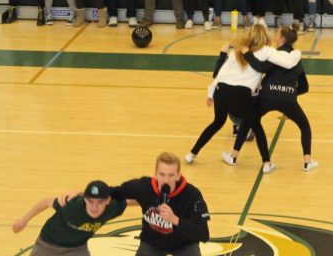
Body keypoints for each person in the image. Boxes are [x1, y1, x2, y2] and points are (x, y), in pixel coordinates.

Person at [225, 24, 318, 171]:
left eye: (277, 34)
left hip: (266, 95)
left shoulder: (274, 56)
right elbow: (304, 87)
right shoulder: (296, 60)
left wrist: (247, 53)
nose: (274, 37)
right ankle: (307, 162)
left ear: (281, 39)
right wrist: (289, 94)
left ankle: (233, 155)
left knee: (248, 121)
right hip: (288, 99)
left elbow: (260, 67)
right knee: (304, 126)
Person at [185, 34, 271, 166]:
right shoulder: (259, 59)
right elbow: (258, 83)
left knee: (217, 123)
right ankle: (266, 163)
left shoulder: (233, 55)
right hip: (241, 94)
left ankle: (192, 154)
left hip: (222, 91)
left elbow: (217, 75)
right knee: (257, 127)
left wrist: (211, 93)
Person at [117, 152, 210, 254]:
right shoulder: (144, 187)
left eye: (171, 175)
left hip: (184, 244)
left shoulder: (192, 195)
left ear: (178, 176)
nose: (166, 180)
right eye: (162, 174)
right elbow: (116, 193)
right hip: (152, 243)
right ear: (155, 174)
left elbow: (203, 235)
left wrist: (175, 220)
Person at [12, 181, 127, 255]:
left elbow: (130, 200)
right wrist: (24, 219)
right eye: (90, 201)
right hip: (48, 244)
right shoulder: (72, 205)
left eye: (99, 202)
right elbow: (46, 201)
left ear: (107, 201)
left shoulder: (112, 208)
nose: (94, 207)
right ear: (85, 199)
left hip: (76, 248)